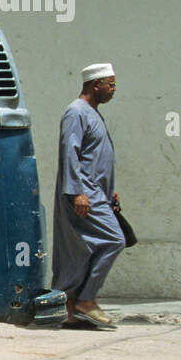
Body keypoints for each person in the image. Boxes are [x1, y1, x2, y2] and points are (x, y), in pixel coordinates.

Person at [52, 63, 124, 328]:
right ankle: (86, 300)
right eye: (111, 84)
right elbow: (69, 153)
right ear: (96, 84)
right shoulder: (76, 112)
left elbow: (95, 156)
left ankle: (69, 308)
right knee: (115, 239)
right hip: (83, 192)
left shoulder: (92, 113)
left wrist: (110, 189)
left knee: (81, 249)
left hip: (95, 191)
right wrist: (76, 192)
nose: (113, 90)